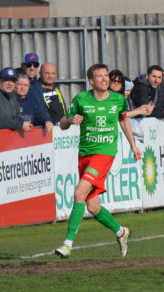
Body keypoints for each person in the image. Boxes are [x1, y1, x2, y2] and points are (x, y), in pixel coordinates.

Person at [54, 64, 143, 259]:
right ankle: (121, 232)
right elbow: (62, 124)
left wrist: (133, 145)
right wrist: (70, 121)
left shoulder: (118, 99)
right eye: (99, 76)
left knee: (79, 192)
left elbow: (123, 120)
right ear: (91, 81)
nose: (104, 79)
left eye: (106, 75)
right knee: (93, 206)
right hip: (85, 154)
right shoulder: (81, 99)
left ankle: (67, 244)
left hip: (105, 153)